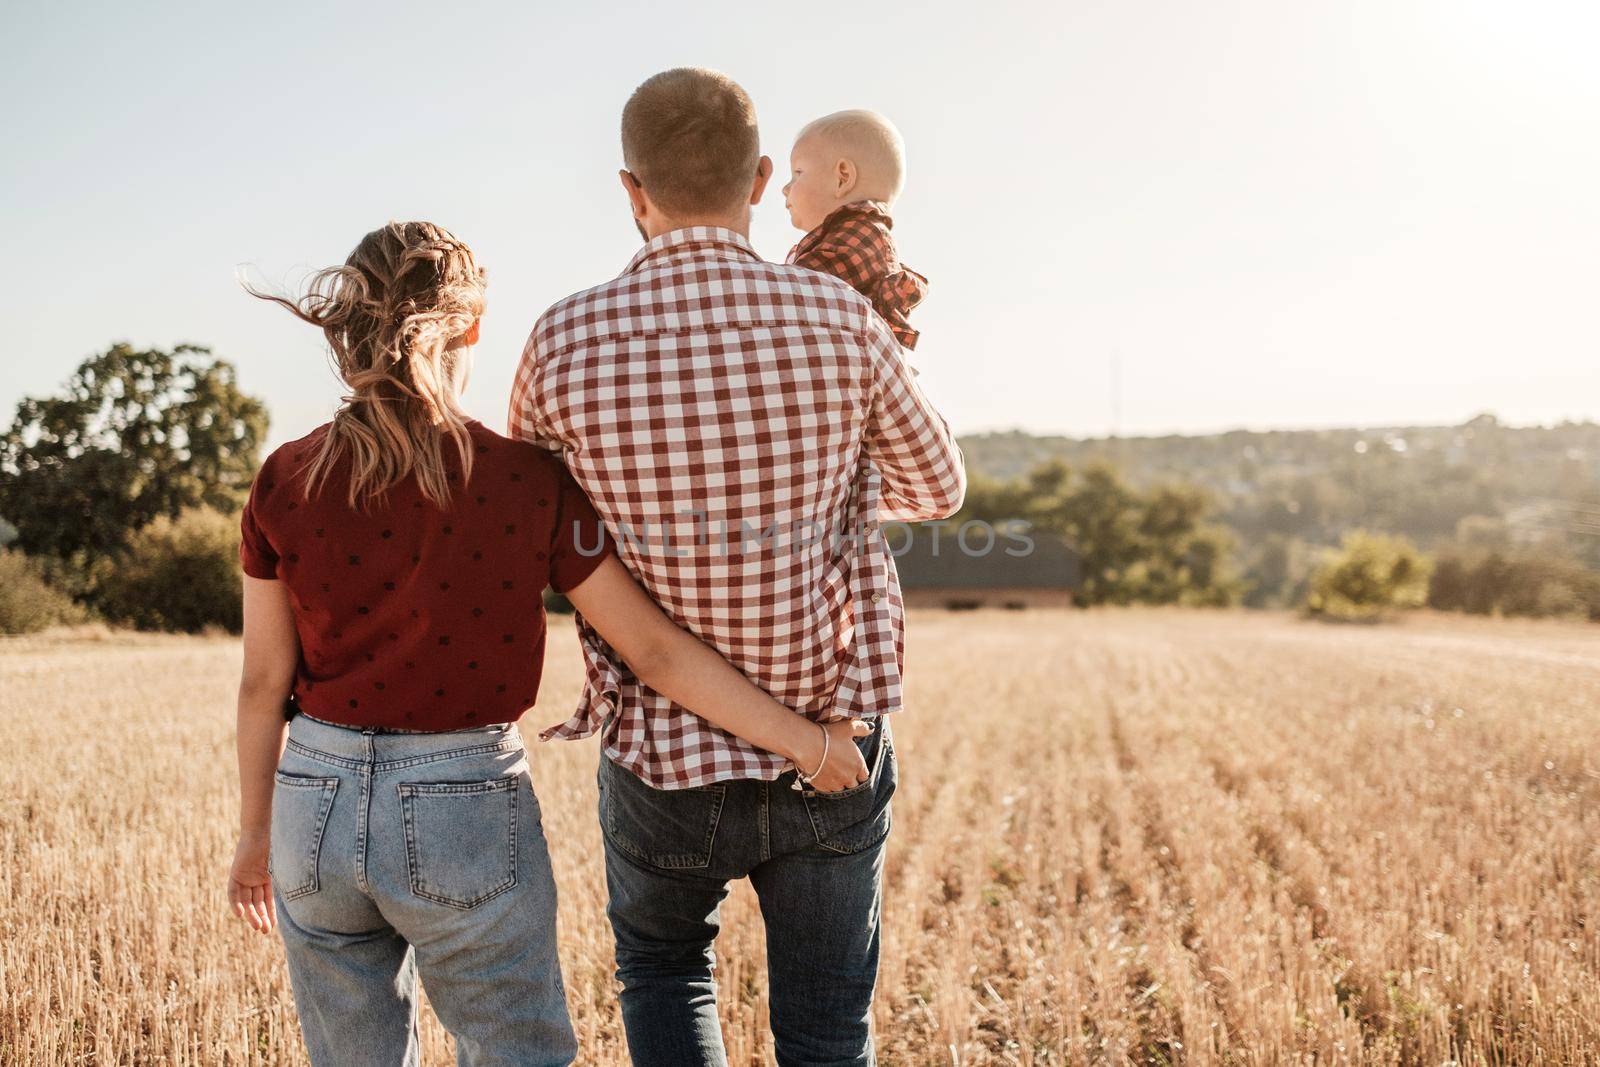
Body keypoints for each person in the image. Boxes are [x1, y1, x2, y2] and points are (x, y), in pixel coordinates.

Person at [226, 220, 872, 1067]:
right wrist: (805, 740)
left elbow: (263, 682)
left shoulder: (285, 476)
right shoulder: (524, 482)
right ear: (473, 327)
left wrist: (252, 838)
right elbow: (654, 652)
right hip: (458, 798)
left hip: (312, 800)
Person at [509, 69, 966, 1066]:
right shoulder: (841, 319)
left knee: (667, 970)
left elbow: (538, 524)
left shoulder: (559, 339)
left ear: (632, 190)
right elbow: (938, 486)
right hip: (832, 744)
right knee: (827, 1031)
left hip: (662, 760)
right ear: (759, 179)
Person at [784, 109, 927, 350]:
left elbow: (796, 294)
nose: (786, 188)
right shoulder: (848, 233)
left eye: (798, 173)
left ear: (843, 178)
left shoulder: (861, 236)